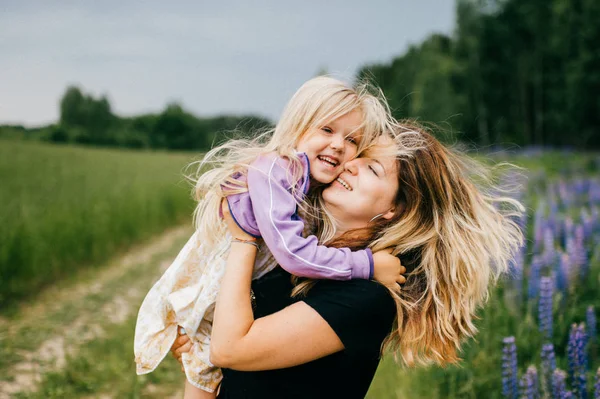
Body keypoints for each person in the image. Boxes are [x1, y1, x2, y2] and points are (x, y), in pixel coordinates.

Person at [171, 122, 524, 398]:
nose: (350, 166)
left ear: (394, 209)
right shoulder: (299, 257)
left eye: (373, 170)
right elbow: (222, 361)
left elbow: (231, 349)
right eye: (359, 157)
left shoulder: (368, 294)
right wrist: (197, 344)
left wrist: (243, 236)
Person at [134, 76, 405, 399]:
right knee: (202, 365)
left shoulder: (305, 191)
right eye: (327, 130)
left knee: (204, 368)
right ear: (298, 127)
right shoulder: (276, 173)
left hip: (231, 301)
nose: (338, 146)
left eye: (351, 141)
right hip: (216, 290)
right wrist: (367, 265)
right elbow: (293, 253)